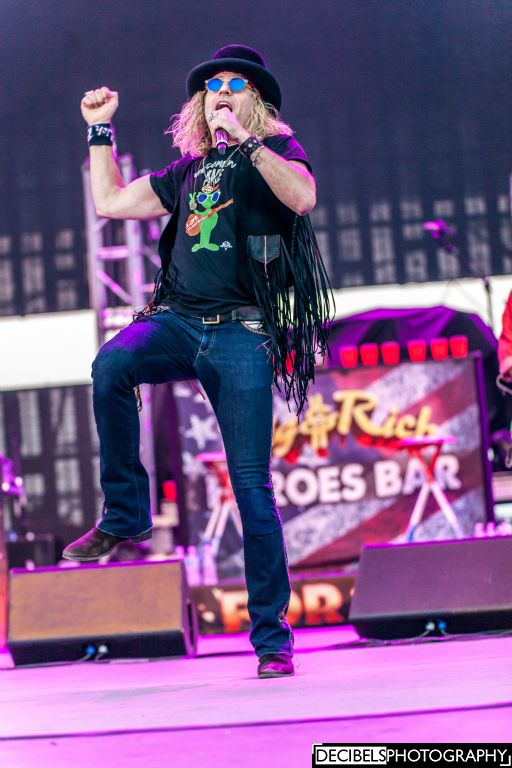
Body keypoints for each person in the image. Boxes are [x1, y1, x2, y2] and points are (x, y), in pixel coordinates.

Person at [63, 44, 333, 678]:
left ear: (255, 102)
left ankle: (272, 641)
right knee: (112, 365)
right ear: (199, 104)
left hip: (242, 332)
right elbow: (110, 203)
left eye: (235, 85)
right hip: (178, 322)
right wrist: (100, 130)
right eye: (212, 86)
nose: (221, 93)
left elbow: (302, 198)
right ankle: (125, 513)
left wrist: (247, 142)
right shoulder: (186, 172)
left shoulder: (274, 153)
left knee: (252, 490)